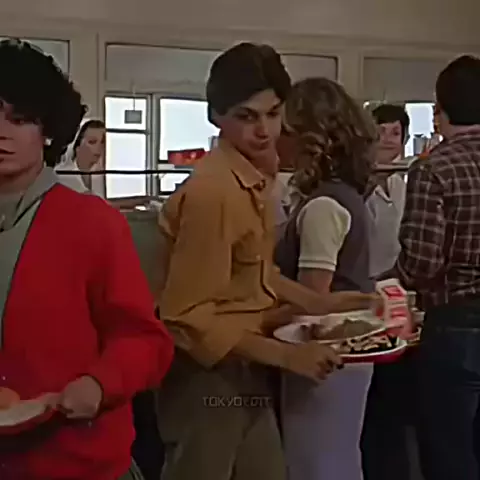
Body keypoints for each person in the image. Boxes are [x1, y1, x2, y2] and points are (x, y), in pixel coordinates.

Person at [155, 43, 377, 480]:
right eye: (246, 116)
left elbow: (256, 272)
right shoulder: (214, 192)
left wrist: (318, 303)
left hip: (246, 364)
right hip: (207, 375)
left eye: (273, 114)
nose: (263, 130)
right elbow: (186, 316)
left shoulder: (255, 178)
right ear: (216, 117)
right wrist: (287, 356)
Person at [0, 39, 173, 479]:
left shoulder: (91, 223)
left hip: (76, 460)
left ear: (48, 129)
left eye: (20, 119)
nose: (2, 132)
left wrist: (99, 385)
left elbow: (143, 339)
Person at [275, 77, 376, 480]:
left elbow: (310, 300)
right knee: (338, 459)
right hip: (348, 354)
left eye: (284, 128)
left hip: (326, 356)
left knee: (316, 464)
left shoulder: (323, 207)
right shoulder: (345, 194)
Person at [397, 55, 480, 480]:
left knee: (451, 452)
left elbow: (421, 264)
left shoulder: (433, 168)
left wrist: (389, 281)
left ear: (439, 109)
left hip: (455, 325)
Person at [360, 105, 422, 480]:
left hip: (400, 294)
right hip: (361, 294)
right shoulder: (357, 184)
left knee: (397, 395)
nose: (387, 140)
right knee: (369, 400)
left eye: (394, 133)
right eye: (380, 132)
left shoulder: (408, 182)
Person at [55, 118, 106, 192]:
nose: (99, 147)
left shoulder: (102, 175)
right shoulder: (62, 176)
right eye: (92, 142)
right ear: (77, 146)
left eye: (103, 142)